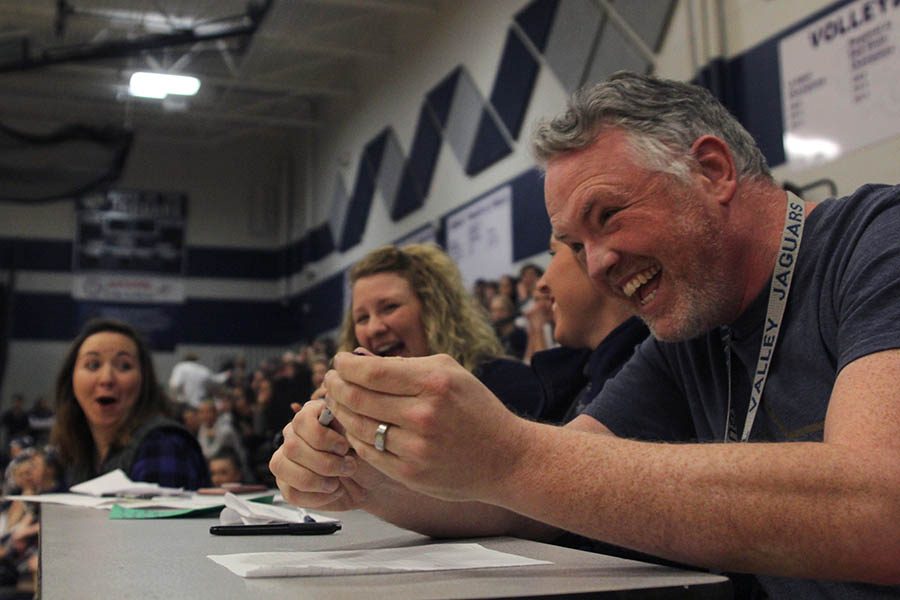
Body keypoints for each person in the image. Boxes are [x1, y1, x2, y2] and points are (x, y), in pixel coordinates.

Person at [270, 71, 900, 598]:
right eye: (574, 245)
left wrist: (509, 454)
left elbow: (883, 513)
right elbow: (525, 501)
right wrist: (364, 479)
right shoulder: (689, 333)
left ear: (711, 170)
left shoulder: (879, 244)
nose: (595, 264)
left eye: (608, 216)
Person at [326, 243, 543, 416]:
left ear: (434, 308)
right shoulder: (355, 413)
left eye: (390, 307)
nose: (374, 328)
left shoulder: (509, 385)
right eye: (362, 318)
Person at [51, 318, 209, 489]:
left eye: (125, 366)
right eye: (93, 365)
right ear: (70, 379)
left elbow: (157, 514)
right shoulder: (76, 452)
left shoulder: (163, 445)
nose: (106, 379)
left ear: (144, 380)